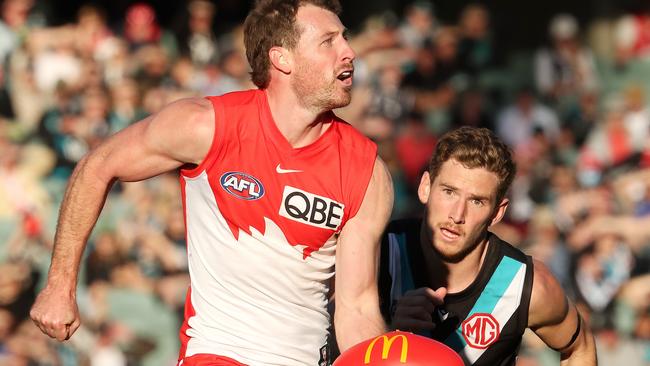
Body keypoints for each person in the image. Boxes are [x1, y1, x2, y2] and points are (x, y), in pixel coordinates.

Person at [29, 1, 393, 365]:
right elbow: (97, 165)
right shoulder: (205, 126)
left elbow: (357, 308)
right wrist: (60, 285)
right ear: (282, 59)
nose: (349, 52)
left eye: (345, 38)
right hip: (217, 352)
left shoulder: (366, 170)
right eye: (328, 41)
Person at [376, 127, 596, 365]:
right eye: (449, 192)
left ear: (497, 213)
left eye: (477, 201)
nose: (457, 215)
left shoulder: (525, 285)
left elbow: (580, 348)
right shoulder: (379, 252)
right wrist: (387, 333)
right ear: (425, 187)